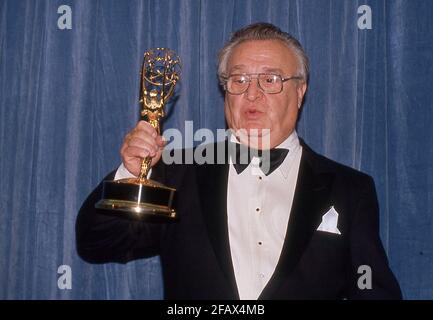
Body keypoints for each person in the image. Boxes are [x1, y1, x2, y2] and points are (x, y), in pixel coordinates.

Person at [76, 22, 402, 299]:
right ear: (225, 90)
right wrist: (129, 174)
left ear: (300, 91)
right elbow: (97, 244)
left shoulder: (349, 189)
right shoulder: (177, 174)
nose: (252, 93)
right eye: (239, 79)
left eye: (271, 79)